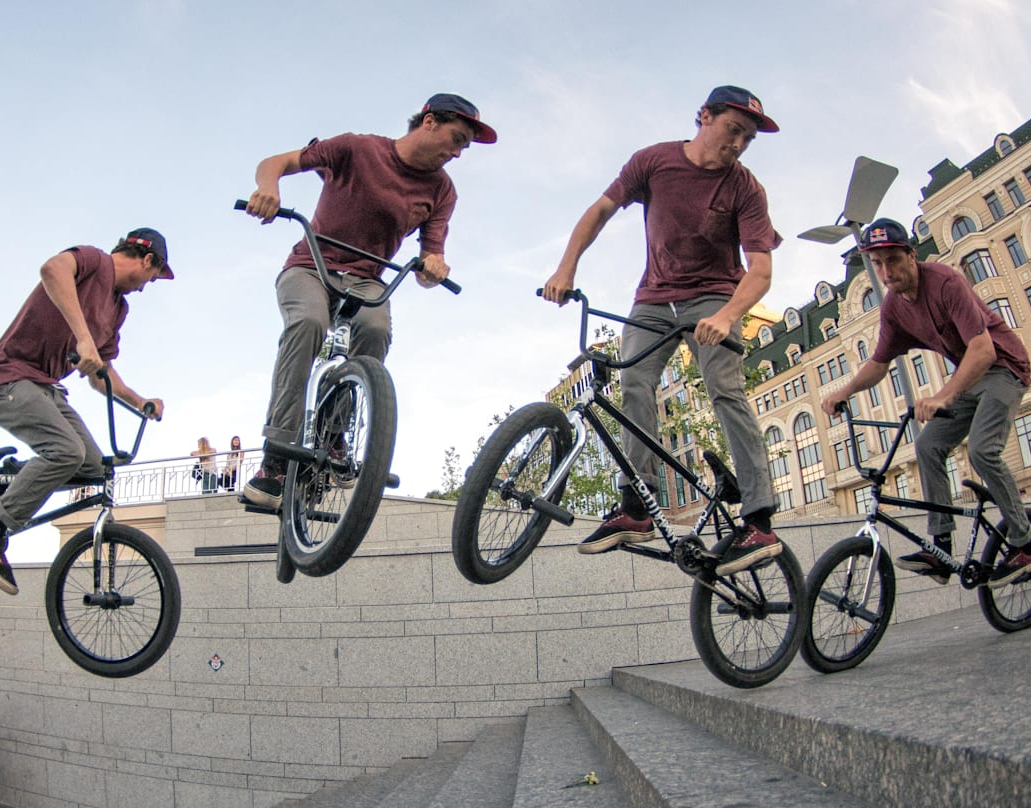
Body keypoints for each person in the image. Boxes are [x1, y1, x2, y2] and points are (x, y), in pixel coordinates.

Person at [541, 85, 784, 575]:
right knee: (634, 383)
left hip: (715, 297)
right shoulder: (653, 161)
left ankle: (759, 518)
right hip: (653, 299)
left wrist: (725, 316)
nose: (737, 144)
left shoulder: (745, 188)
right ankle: (637, 505)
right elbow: (600, 210)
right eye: (733, 131)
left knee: (724, 388)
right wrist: (566, 268)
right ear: (704, 117)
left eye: (748, 139)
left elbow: (760, 269)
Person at [242, 93, 497, 509]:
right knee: (307, 324)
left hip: (368, 280)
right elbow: (277, 163)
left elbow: (432, 254)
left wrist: (434, 266)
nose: (457, 152)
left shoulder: (442, 191)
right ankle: (276, 458)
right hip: (311, 266)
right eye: (456, 139)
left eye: (464, 147)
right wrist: (267, 188)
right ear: (428, 122)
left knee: (375, 331)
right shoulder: (357, 148)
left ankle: (335, 432)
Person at [822, 218, 1031, 587]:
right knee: (927, 444)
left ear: (911, 255)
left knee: (983, 451)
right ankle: (940, 548)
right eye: (878, 264)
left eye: (893, 261)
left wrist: (942, 396)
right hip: (969, 379)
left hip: (1003, 368)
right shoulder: (893, 308)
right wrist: (846, 391)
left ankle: (1023, 544)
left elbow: (983, 350)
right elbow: (878, 363)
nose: (886, 273)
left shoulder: (945, 282)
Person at [0, 229, 171, 596]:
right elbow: (51, 270)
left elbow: (99, 376)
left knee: (90, 465)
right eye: (152, 277)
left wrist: (139, 402)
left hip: (46, 388)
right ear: (147, 259)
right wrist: (83, 336)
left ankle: (7, 479)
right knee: (66, 452)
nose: (146, 286)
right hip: (6, 378)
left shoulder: (118, 309)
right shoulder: (93, 261)